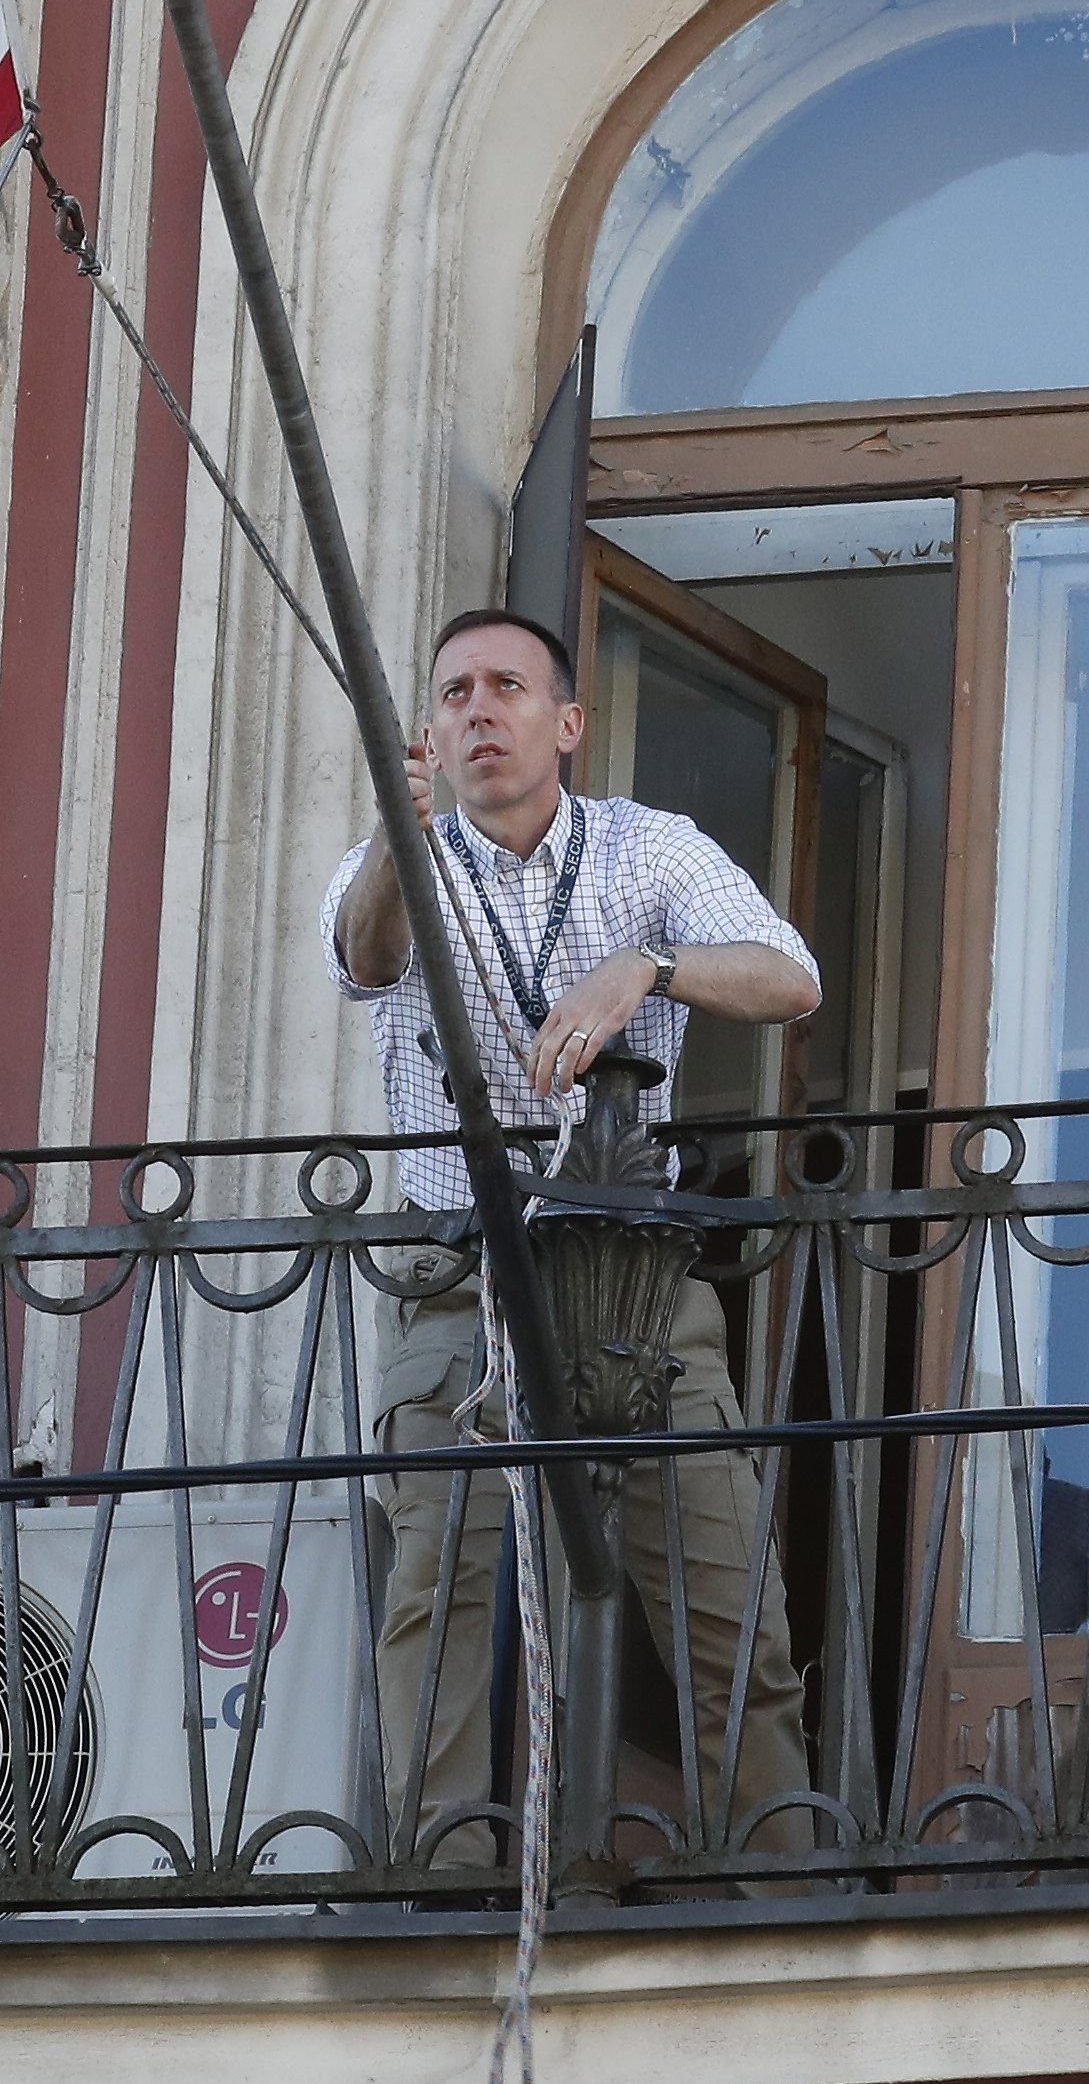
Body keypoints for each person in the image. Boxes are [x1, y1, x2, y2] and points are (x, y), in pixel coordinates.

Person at [328, 603, 823, 1869]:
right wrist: (402, 822)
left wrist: (643, 970)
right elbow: (367, 951)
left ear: (568, 723)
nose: (477, 711)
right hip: (458, 1284)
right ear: (429, 731)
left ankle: (770, 1883)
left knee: (729, 1606)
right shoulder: (397, 860)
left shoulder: (650, 851)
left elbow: (789, 976)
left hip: (639, 1294)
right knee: (434, 1598)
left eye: (505, 687)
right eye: (452, 694)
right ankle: (442, 1882)